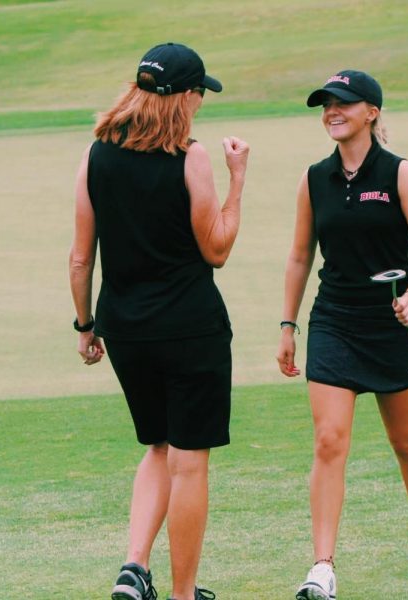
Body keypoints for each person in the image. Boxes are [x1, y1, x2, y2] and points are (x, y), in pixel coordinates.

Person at [69, 42, 249, 600]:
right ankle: (182, 593)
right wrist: (238, 179)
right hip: (190, 327)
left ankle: (134, 567)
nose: (201, 102)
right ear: (186, 96)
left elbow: (81, 258)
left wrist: (85, 325)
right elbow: (216, 249)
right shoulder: (191, 157)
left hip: (125, 328)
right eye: (200, 93)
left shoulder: (97, 152)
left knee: (158, 446)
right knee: (189, 461)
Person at [276, 70, 408, 600]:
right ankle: (322, 566)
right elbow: (301, 255)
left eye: (343, 104)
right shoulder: (313, 178)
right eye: (326, 105)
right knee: (329, 441)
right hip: (335, 321)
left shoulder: (400, 173)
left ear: (371, 111)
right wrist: (289, 324)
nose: (332, 112)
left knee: (407, 441)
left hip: (392, 322)